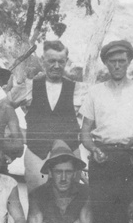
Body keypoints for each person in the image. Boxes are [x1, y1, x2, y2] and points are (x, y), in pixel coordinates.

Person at [79, 40, 133, 223]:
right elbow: (85, 133)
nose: (117, 65)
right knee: (103, 215)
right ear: (105, 63)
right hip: (102, 158)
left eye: (121, 61)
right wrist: (94, 149)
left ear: (129, 61)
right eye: (112, 61)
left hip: (131, 159)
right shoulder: (95, 92)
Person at [6, 40, 86, 191]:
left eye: (61, 61)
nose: (56, 66)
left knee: (70, 203)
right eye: (51, 61)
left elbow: (94, 116)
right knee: (38, 201)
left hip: (69, 154)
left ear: (66, 62)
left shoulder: (78, 90)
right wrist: (16, 132)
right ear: (43, 61)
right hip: (37, 154)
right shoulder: (29, 86)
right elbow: (3, 107)